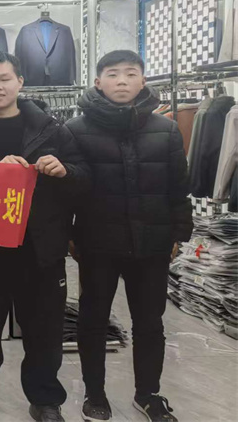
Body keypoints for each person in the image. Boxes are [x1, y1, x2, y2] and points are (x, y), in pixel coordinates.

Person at [0, 51, 89, 422]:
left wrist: (65, 170)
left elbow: (85, 179)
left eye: (4, 78)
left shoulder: (53, 129)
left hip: (41, 248)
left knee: (44, 332)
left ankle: (45, 400)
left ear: (20, 82)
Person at [66, 50, 192, 422]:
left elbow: (178, 187)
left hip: (152, 243)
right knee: (93, 320)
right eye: (113, 73)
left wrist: (178, 232)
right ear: (98, 82)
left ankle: (148, 394)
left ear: (142, 80)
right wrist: (70, 236)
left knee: (150, 323)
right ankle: (94, 394)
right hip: (97, 243)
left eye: (130, 73)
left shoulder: (166, 129)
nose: (122, 80)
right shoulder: (75, 130)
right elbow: (68, 192)